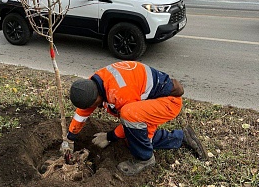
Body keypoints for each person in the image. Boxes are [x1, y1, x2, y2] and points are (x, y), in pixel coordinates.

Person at [62, 61, 208, 176]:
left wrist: (110, 136)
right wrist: (70, 137)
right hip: (147, 103)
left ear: (97, 96)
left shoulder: (120, 92)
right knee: (135, 138)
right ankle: (181, 137)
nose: (95, 107)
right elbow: (83, 111)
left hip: (168, 102)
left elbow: (131, 118)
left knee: (130, 122)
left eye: (95, 104)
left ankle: (145, 159)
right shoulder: (92, 84)